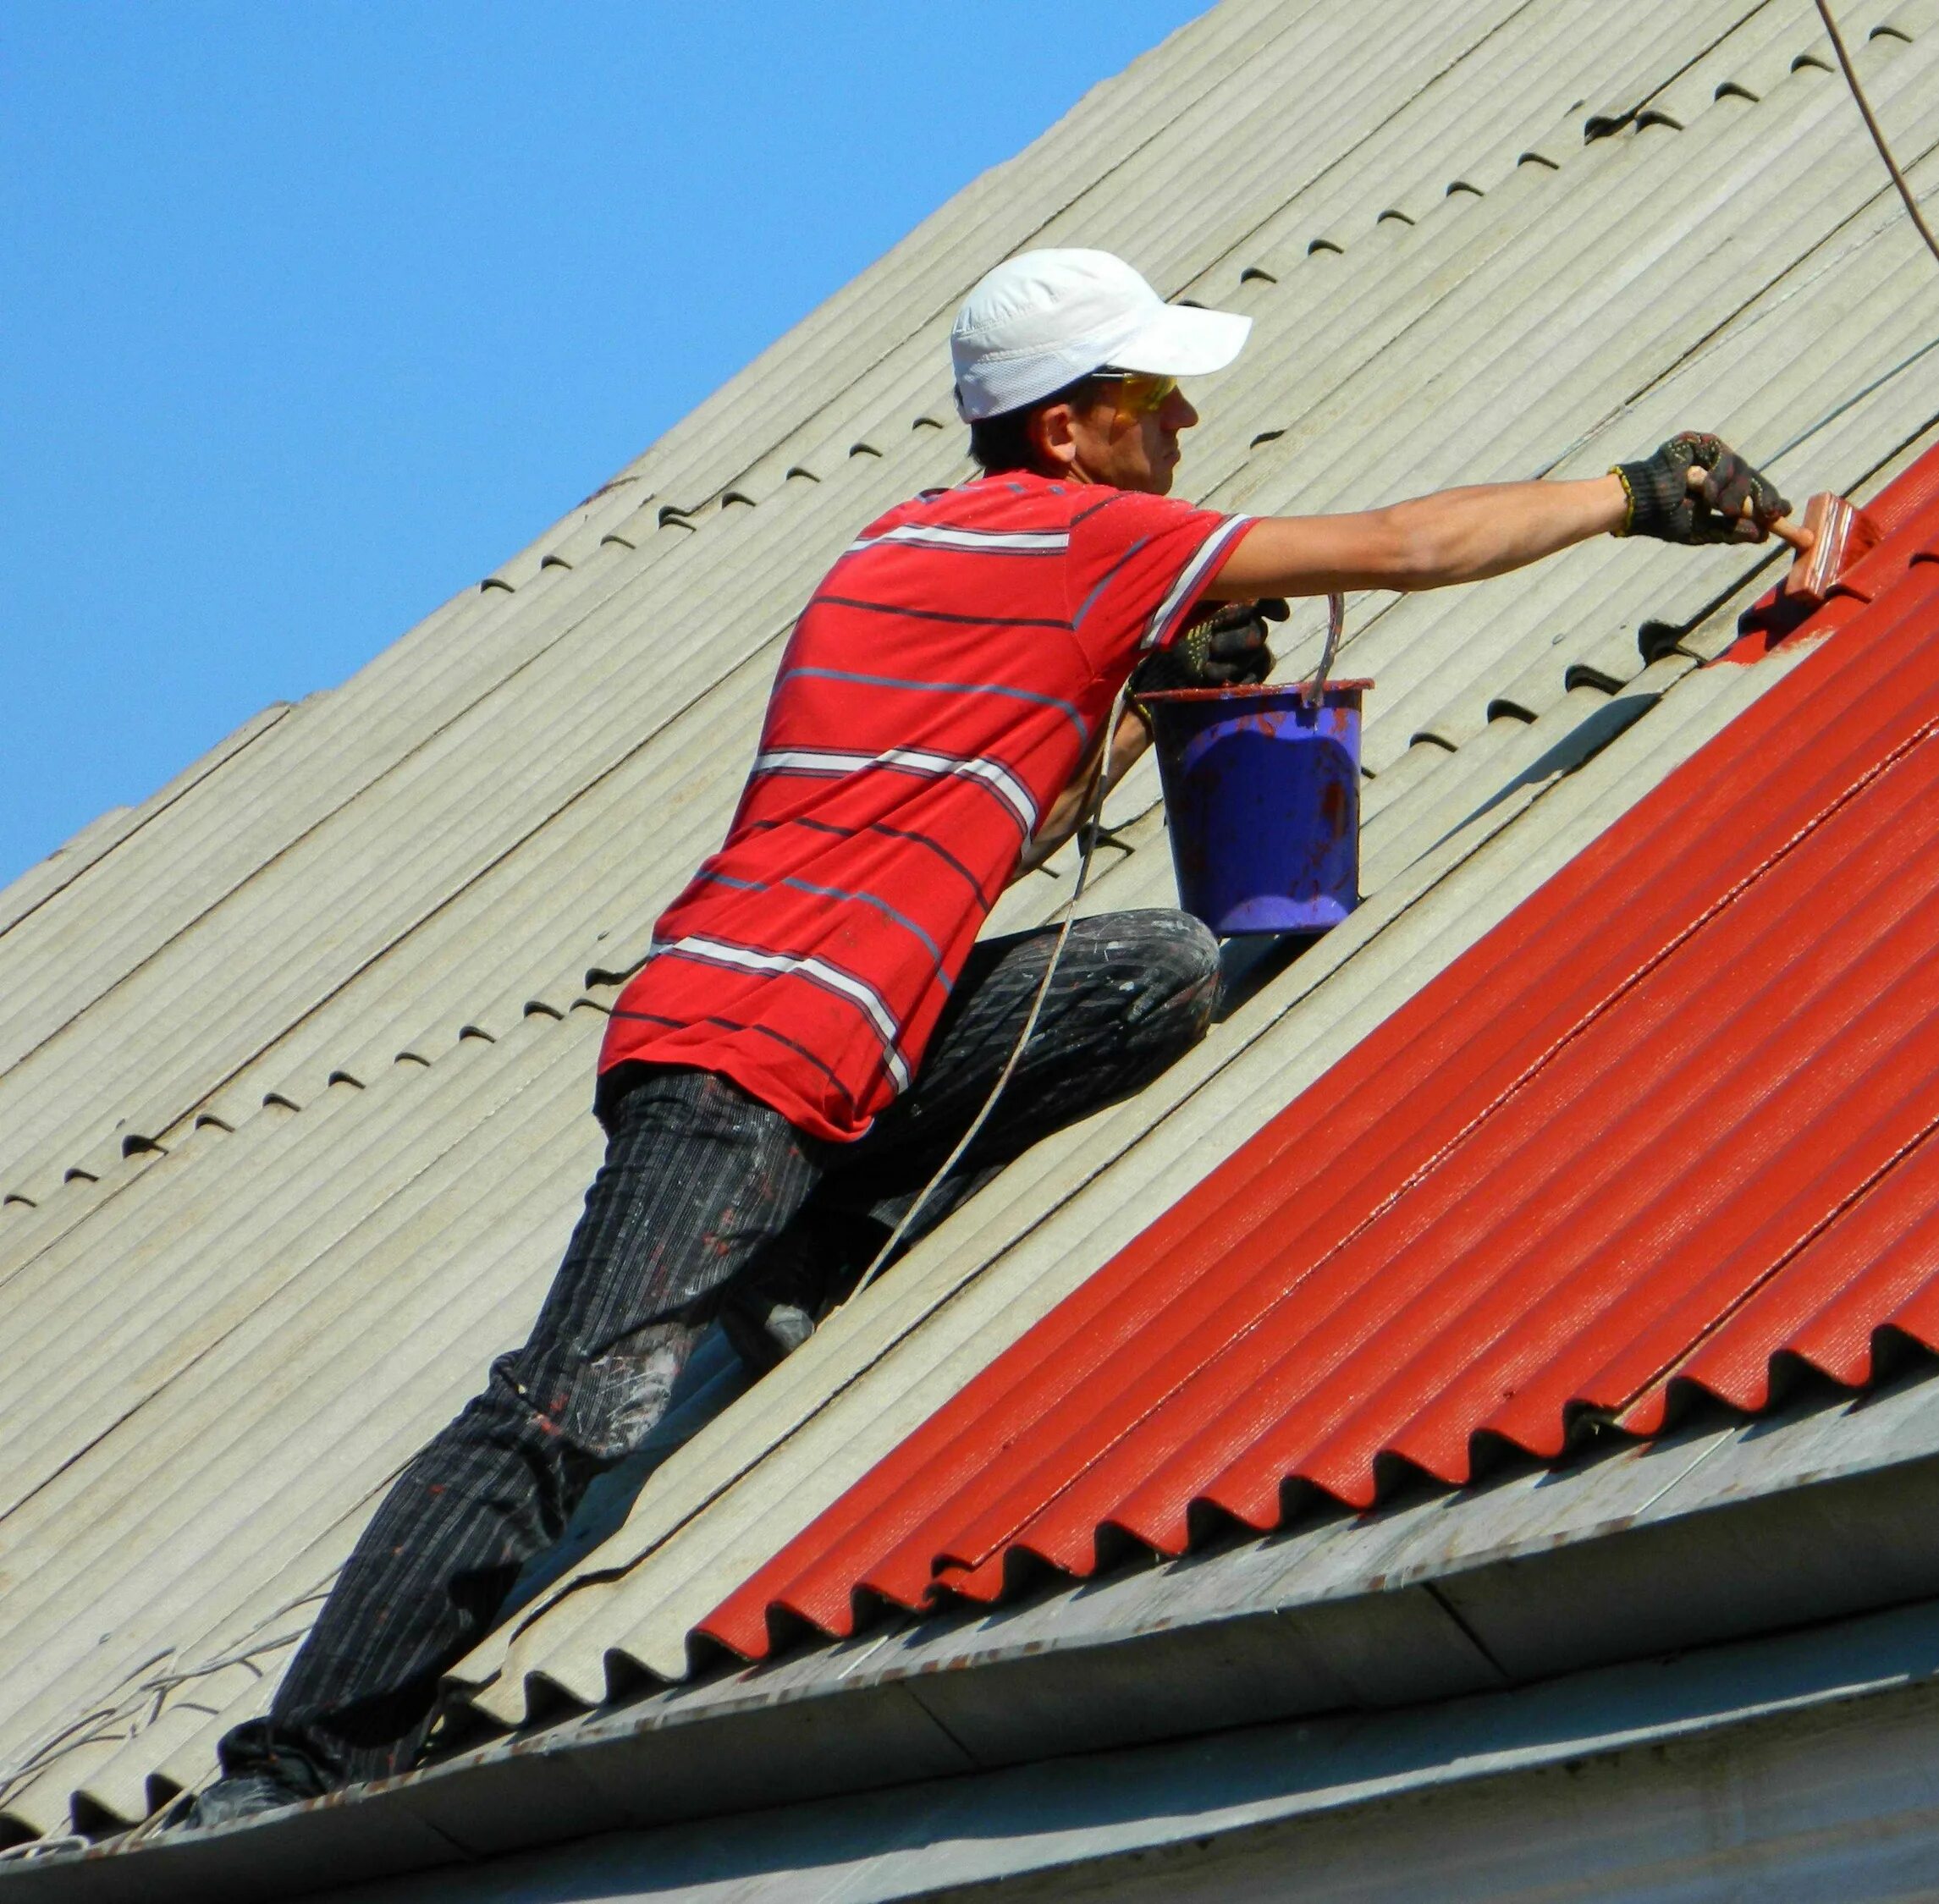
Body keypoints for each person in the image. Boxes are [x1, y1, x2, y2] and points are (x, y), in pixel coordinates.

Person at [190, 248, 1788, 1824]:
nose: (1181, 435)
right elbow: (1399, 544)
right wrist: (1631, 495)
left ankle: (823, 1212)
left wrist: (1138, 704)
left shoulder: (917, 546)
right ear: (1067, 432)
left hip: (851, 1036)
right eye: (1155, 402)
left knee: (1157, 967)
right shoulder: (1077, 535)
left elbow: (979, 823)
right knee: (572, 1406)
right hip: (750, 1046)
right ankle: (298, 1757)